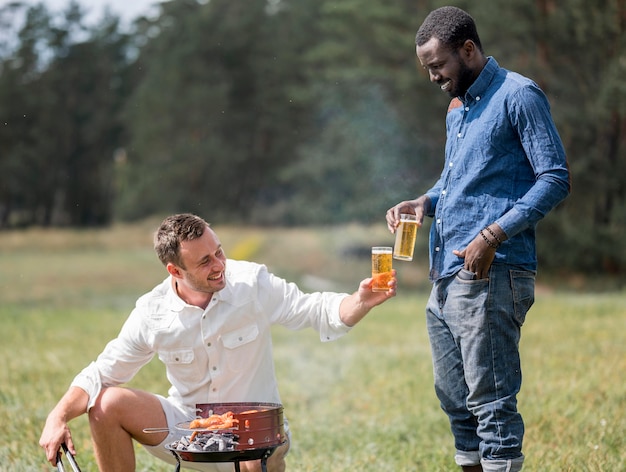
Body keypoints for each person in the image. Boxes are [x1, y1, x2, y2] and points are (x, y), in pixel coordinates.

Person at [39, 213, 397, 472]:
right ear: (175, 271)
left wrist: (361, 300)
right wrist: (57, 417)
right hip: (188, 431)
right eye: (205, 261)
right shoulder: (153, 312)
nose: (220, 265)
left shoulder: (251, 283)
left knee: (252, 445)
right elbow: (101, 373)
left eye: (220, 252)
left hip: (257, 435)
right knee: (107, 402)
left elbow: (315, 310)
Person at [386, 6, 570, 472]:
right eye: (427, 68)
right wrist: (423, 204)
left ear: (468, 49)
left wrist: (492, 234)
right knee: (455, 401)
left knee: (490, 403)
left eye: (438, 65)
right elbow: (458, 183)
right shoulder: (458, 111)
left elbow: (554, 178)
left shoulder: (518, 95)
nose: (433, 77)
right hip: (446, 275)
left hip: (493, 269)